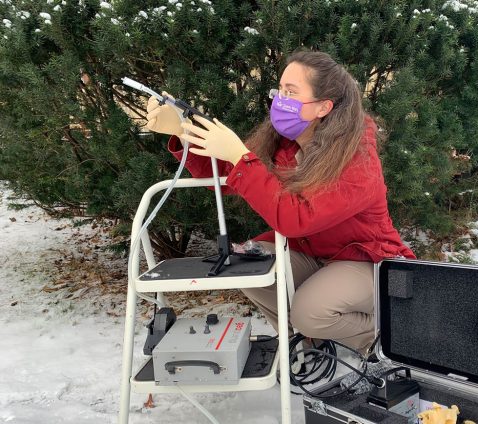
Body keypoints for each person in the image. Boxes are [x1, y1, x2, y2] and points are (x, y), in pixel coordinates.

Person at [146, 50, 415, 354]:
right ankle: (308, 347)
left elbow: (297, 218)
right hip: (313, 255)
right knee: (246, 268)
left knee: (310, 310)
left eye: (291, 92)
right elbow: (223, 173)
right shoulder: (285, 144)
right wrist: (184, 132)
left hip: (366, 260)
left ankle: (385, 341)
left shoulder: (357, 159)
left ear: (324, 107)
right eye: (280, 89)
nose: (279, 100)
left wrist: (240, 158)